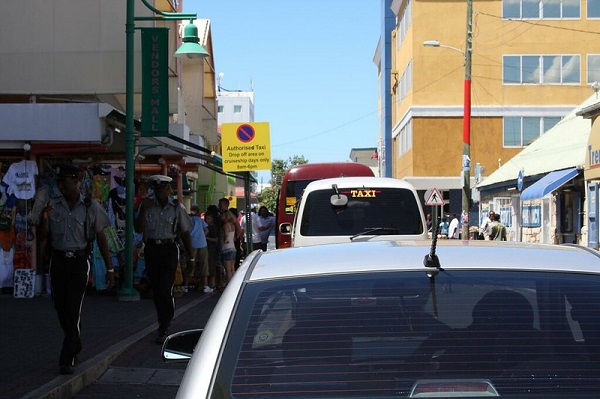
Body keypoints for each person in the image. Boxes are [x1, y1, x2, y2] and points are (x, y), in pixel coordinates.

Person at [40, 164, 115, 375]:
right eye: (60, 182)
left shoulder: (91, 207)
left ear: (76, 182)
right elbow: (44, 237)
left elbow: (101, 238)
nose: (62, 186)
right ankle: (76, 342)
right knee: (60, 308)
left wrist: (110, 270)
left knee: (73, 309)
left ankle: (67, 356)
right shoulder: (53, 206)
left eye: (65, 182)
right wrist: (44, 220)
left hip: (79, 262)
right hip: (59, 261)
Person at [134, 175, 193, 344]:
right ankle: (163, 319)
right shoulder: (146, 205)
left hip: (169, 248)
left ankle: (165, 324)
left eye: (162, 188)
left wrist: (192, 258)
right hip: (152, 249)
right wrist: (143, 209)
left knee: (166, 287)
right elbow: (138, 228)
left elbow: (185, 233)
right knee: (156, 288)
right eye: (156, 188)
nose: (159, 191)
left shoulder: (176, 207)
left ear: (168, 189)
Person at [186, 204, 212, 293]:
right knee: (204, 264)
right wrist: (202, 236)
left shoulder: (187, 220)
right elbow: (207, 230)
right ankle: (205, 286)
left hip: (191, 244)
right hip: (202, 243)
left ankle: (186, 286)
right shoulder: (200, 220)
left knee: (190, 263)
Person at [219, 209, 238, 284]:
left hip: (226, 248)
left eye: (222, 215)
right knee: (232, 269)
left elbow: (226, 237)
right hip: (233, 248)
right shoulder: (232, 225)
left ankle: (229, 285)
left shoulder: (226, 225)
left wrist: (225, 239)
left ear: (226, 216)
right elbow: (233, 238)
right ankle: (235, 284)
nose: (221, 216)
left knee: (227, 270)